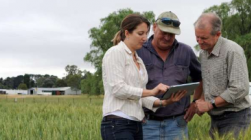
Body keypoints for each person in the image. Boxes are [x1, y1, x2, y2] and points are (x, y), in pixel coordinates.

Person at [101, 14, 186, 140]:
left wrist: (164, 102)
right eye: (140, 33)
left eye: (146, 33)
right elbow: (118, 90)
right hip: (117, 122)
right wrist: (152, 91)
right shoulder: (115, 53)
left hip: (136, 123)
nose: (145, 38)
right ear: (127, 33)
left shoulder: (139, 60)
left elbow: (140, 97)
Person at [137, 11, 202, 140]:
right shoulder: (139, 51)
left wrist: (195, 102)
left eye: (171, 34)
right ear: (155, 27)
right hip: (146, 123)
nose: (167, 37)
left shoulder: (186, 51)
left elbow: (200, 78)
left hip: (177, 123)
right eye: (164, 33)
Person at [194, 13, 251, 139]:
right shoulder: (203, 53)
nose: (199, 42)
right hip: (215, 118)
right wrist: (202, 100)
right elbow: (207, 82)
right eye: (197, 37)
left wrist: (210, 104)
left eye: (203, 38)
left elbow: (240, 88)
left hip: (235, 118)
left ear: (218, 34)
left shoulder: (232, 51)